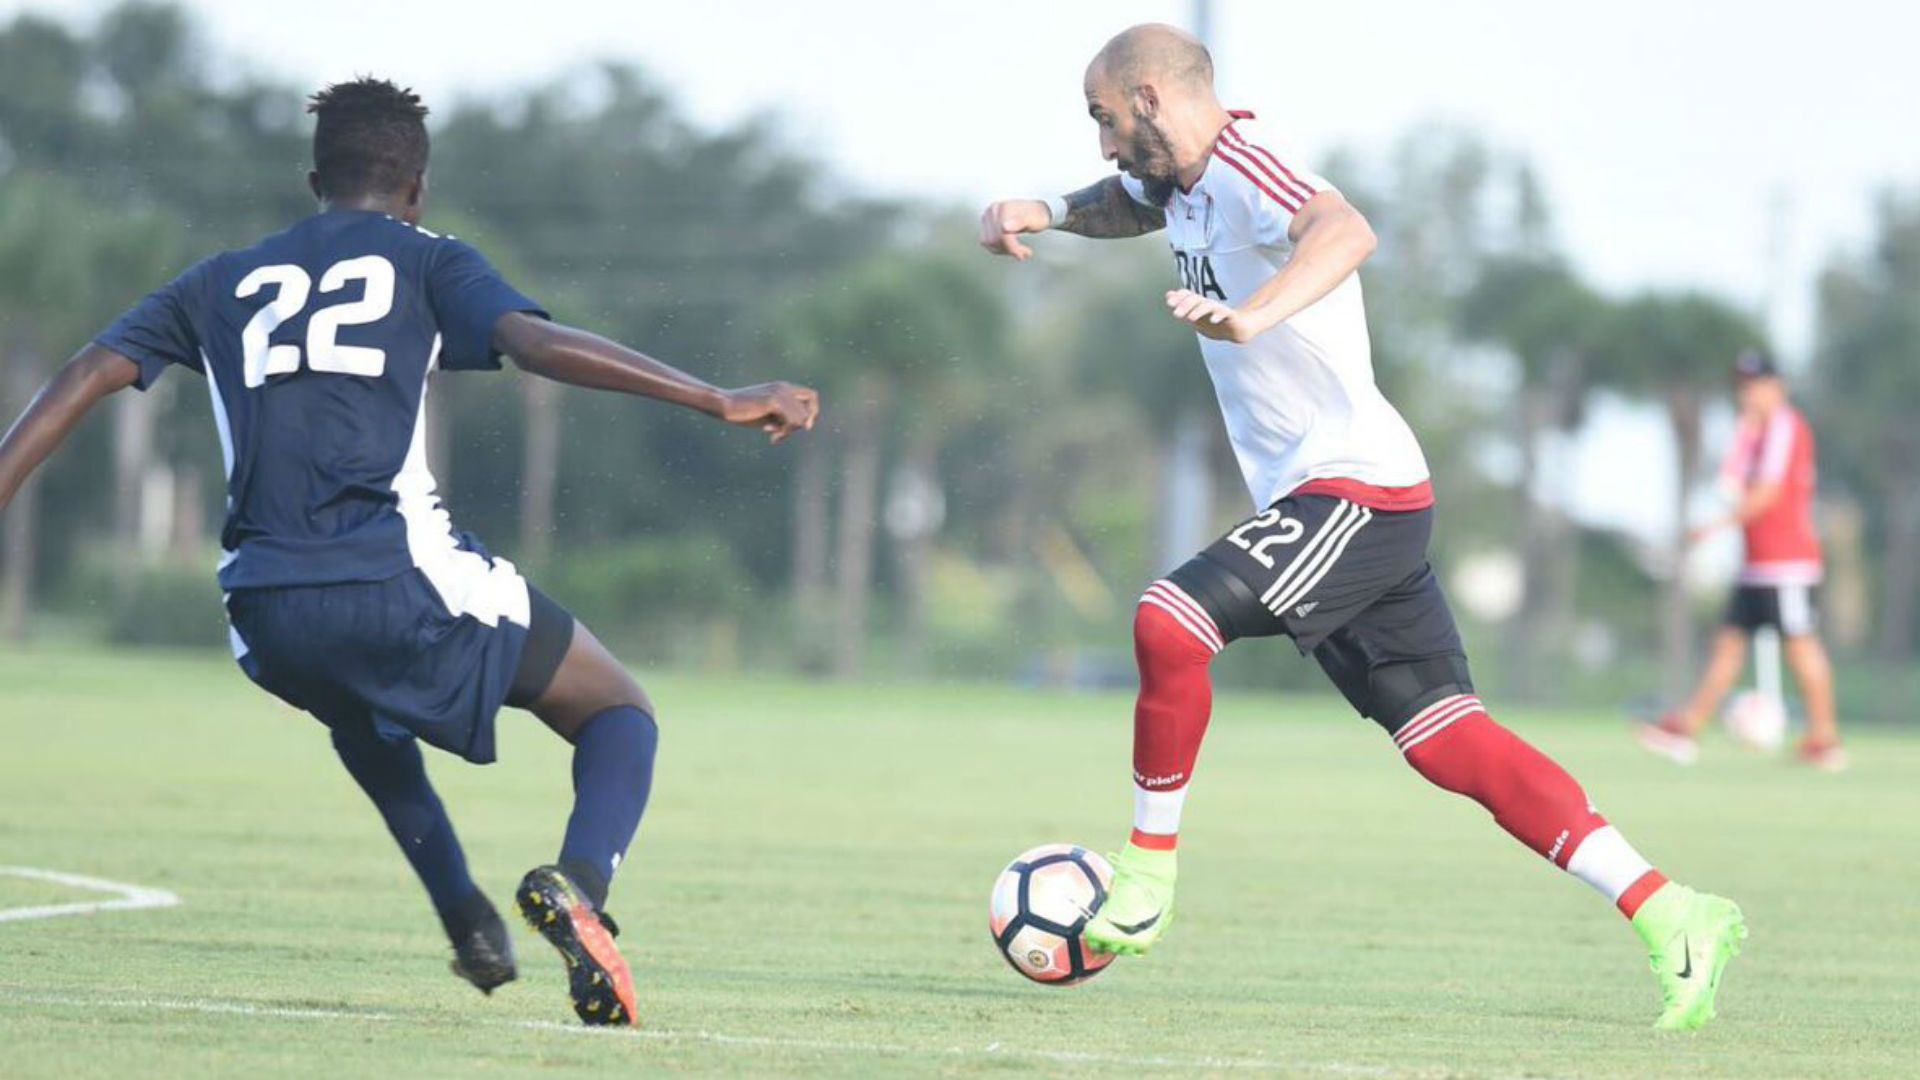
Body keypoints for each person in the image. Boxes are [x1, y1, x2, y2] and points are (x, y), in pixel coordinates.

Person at [0, 78, 819, 1027]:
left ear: (315, 179)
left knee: (362, 717)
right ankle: (582, 887)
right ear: (417, 187)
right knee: (617, 711)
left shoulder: (217, 279)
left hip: (263, 611)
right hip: (393, 576)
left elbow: (85, 374)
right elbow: (535, 344)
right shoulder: (431, 261)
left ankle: (466, 917)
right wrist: (717, 397)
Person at [977, 24, 1744, 1029]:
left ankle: (1146, 879)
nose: (1105, 144)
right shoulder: (1183, 181)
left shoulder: (1252, 166)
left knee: (1169, 621)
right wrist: (1049, 210)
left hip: (1355, 492)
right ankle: (1674, 910)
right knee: (1448, 744)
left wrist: (1255, 316)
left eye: (1106, 119)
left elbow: (1345, 231)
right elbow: (1135, 201)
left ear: (1154, 97)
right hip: (1346, 501)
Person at [1638, 351, 1843, 770]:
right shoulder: (1754, 432)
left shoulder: (1786, 427)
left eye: (1754, 385)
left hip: (1786, 563)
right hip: (1756, 563)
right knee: (1728, 645)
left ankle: (1825, 738)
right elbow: (1730, 482)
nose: (1746, 393)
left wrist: (1713, 527)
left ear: (1776, 386)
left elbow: (1767, 493)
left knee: (1802, 647)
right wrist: (1743, 435)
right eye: (1742, 386)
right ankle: (1687, 727)